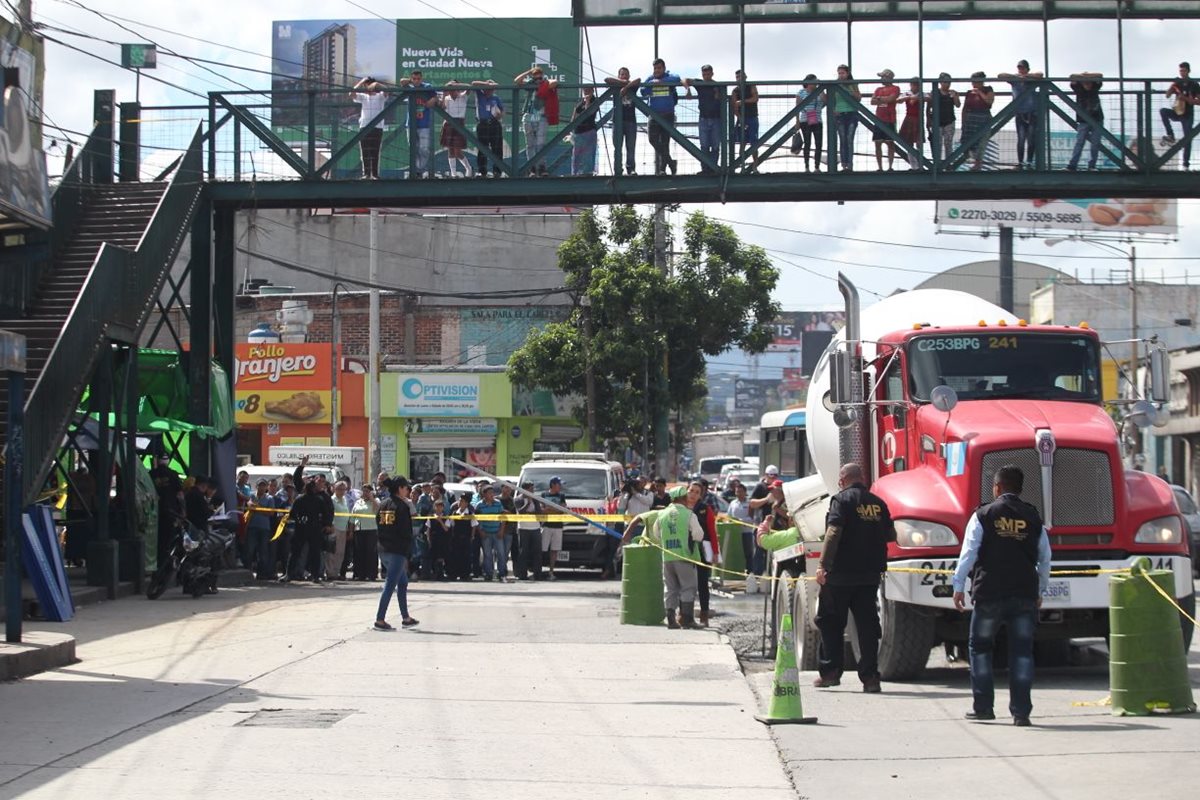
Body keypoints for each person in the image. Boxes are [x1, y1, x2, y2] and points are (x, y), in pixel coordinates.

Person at [952, 465, 1051, 726]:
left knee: (980, 648)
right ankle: (1021, 713)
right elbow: (1045, 558)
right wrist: (1040, 590)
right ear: (1020, 489)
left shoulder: (983, 515)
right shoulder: (1033, 517)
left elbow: (969, 553)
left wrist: (958, 585)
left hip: (989, 593)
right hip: (1024, 593)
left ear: (996, 488)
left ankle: (983, 707)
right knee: (1021, 653)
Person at [812, 463, 895, 693]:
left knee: (830, 622)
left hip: (840, 575)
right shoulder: (878, 503)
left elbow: (834, 532)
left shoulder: (841, 501)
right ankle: (870, 679)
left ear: (843, 479)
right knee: (867, 626)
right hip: (869, 576)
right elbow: (891, 533)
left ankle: (830, 673)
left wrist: (822, 565)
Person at [646, 483, 707, 629]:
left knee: (671, 588)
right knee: (688, 587)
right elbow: (699, 535)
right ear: (683, 498)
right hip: (685, 557)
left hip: (667, 557)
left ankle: (671, 619)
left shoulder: (662, 514)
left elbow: (656, 534)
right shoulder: (689, 514)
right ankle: (687, 619)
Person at [374, 478, 419, 630]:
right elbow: (406, 532)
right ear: (400, 489)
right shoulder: (402, 506)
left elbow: (378, 525)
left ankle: (406, 617)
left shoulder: (383, 504)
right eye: (406, 488)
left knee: (403, 582)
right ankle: (380, 619)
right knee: (390, 584)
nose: (408, 491)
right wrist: (408, 552)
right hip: (397, 551)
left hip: (383, 549)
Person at [639, 58, 683, 176]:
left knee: (665, 142)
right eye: (655, 68)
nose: (657, 70)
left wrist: (662, 81)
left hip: (668, 114)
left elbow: (677, 78)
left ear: (663, 68)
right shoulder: (650, 78)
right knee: (652, 139)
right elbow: (642, 91)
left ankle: (662, 169)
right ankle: (671, 162)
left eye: (659, 68)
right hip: (654, 115)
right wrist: (651, 84)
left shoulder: (669, 76)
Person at [997, 60, 1044, 169]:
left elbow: (1041, 74)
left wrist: (1026, 76)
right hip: (1020, 114)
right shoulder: (1015, 80)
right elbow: (1000, 75)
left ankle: (1029, 162)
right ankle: (1021, 162)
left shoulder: (1031, 79)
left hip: (1032, 113)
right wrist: (1017, 77)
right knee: (1021, 139)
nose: (1021, 70)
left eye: (1023, 68)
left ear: (1027, 69)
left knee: (1031, 139)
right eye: (1019, 68)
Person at [283, 478, 330, 583]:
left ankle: (315, 575)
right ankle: (289, 574)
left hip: (312, 528)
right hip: (304, 528)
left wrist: (324, 524)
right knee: (296, 552)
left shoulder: (318, 500)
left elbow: (325, 514)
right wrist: (299, 519)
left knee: (313, 553)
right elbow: (293, 514)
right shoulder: (301, 499)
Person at [515, 66, 559, 177]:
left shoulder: (546, 84)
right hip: (529, 116)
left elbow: (555, 82)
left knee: (540, 144)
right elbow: (517, 81)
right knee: (530, 144)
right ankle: (532, 168)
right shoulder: (530, 84)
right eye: (535, 76)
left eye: (540, 76)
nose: (538, 79)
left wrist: (543, 84)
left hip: (542, 117)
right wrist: (528, 72)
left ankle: (542, 167)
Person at [398, 69, 437, 178]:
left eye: (418, 79)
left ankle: (419, 169)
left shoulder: (427, 86)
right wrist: (411, 82)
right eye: (414, 79)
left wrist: (433, 100)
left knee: (424, 149)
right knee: (413, 148)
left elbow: (435, 96)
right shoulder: (409, 86)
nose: (416, 81)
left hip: (424, 124)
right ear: (411, 78)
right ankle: (415, 170)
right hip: (411, 124)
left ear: (422, 78)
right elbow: (402, 81)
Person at [1161, 61, 1199, 169]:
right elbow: (1167, 95)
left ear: (1188, 71)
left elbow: (1198, 101)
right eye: (1180, 71)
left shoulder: (1194, 84)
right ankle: (1170, 135)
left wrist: (1186, 99)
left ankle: (1185, 164)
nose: (1182, 73)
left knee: (1188, 138)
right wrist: (1172, 85)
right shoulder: (1178, 83)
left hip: (1188, 114)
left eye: (1184, 71)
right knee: (1163, 111)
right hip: (1178, 112)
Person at [349, 77, 388, 179]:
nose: (367, 88)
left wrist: (376, 84)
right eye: (365, 86)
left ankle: (375, 174)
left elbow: (387, 91)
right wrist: (361, 82)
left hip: (377, 126)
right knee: (365, 151)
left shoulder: (380, 96)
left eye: (368, 85)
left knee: (375, 151)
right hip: (364, 126)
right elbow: (351, 94)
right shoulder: (363, 97)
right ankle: (366, 173)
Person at [1066, 71, 1105, 171]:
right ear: (1081, 83)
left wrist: (1086, 76)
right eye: (1085, 83)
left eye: (1089, 82)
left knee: (1095, 143)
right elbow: (1072, 76)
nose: (1087, 85)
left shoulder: (1095, 86)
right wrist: (1084, 76)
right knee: (1080, 142)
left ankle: (1091, 166)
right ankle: (1072, 165)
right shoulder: (1078, 88)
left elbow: (1100, 75)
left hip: (1097, 118)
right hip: (1083, 120)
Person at [150, 455, 183, 570]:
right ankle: (167, 566)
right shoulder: (173, 474)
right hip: (171, 513)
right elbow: (180, 495)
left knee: (156, 541)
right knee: (169, 541)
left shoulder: (151, 474)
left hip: (154, 513)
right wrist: (182, 511)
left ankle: (156, 565)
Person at [604, 66, 640, 175]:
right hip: (617, 121)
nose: (624, 76)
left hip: (630, 120)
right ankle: (618, 169)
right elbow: (606, 79)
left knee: (631, 147)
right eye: (621, 74)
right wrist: (623, 83)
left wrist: (626, 86)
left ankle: (631, 169)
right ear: (619, 76)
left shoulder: (632, 87)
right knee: (617, 147)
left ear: (629, 76)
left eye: (626, 74)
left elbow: (638, 80)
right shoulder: (615, 84)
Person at [691, 64, 723, 173]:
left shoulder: (718, 86)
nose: (706, 76)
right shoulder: (700, 84)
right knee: (704, 145)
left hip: (716, 118)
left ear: (712, 73)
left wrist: (718, 95)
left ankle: (713, 168)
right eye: (704, 74)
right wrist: (687, 89)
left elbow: (723, 100)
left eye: (708, 74)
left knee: (715, 145)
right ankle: (705, 169)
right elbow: (685, 80)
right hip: (704, 118)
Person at [961, 71, 995, 171]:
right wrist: (963, 122)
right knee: (966, 141)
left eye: (975, 82)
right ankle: (970, 160)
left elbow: (989, 102)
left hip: (984, 118)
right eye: (972, 82)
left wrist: (979, 92)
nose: (973, 84)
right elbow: (965, 108)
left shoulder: (988, 89)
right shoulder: (969, 93)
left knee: (981, 142)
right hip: (971, 119)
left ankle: (978, 164)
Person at [470, 79, 504, 178]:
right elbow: (473, 83)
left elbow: (502, 111)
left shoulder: (496, 98)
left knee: (497, 148)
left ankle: (497, 171)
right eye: (487, 89)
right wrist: (487, 84)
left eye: (491, 89)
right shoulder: (479, 94)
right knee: (482, 149)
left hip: (494, 124)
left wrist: (499, 115)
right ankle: (482, 171)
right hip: (482, 124)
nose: (489, 91)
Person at [245, 479, 277, 580]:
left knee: (263, 552)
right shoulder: (252, 496)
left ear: (266, 487)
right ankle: (247, 573)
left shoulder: (270, 498)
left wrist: (258, 509)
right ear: (257, 486)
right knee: (250, 550)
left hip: (264, 528)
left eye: (264, 486)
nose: (262, 488)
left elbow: (271, 513)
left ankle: (261, 574)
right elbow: (249, 504)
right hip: (252, 527)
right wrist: (254, 507)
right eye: (260, 485)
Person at [473, 484, 506, 582]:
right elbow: (476, 520)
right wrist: (481, 531)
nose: (492, 495)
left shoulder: (498, 503)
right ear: (484, 494)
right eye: (490, 493)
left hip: (497, 532)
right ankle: (488, 573)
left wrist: (501, 530)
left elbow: (503, 517)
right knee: (487, 555)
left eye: (493, 493)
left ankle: (502, 573)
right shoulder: (479, 505)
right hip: (486, 533)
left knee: (501, 553)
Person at [439, 81, 472, 178]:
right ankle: (453, 173)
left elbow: (469, 87)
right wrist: (445, 91)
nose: (452, 91)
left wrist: (456, 85)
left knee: (458, 152)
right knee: (450, 150)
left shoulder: (463, 96)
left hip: (459, 123)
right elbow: (441, 107)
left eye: (454, 89)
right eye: (450, 89)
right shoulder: (446, 98)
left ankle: (468, 168)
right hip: (448, 124)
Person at [792, 74, 824, 172]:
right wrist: (797, 121)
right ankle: (807, 166)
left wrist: (821, 88)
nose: (815, 83)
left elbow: (826, 100)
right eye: (814, 81)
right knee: (807, 143)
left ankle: (817, 167)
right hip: (805, 120)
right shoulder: (801, 93)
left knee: (819, 144)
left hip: (817, 120)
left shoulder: (819, 92)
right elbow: (797, 108)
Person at [871, 69, 901, 171]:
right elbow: (872, 101)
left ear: (889, 78)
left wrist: (879, 98)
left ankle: (890, 167)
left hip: (890, 118)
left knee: (890, 143)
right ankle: (880, 167)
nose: (881, 79)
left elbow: (891, 99)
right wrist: (884, 98)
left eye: (883, 77)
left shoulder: (895, 88)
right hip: (879, 118)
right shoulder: (878, 89)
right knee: (877, 143)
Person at [832, 64, 861, 171]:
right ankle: (844, 165)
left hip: (852, 113)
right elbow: (831, 99)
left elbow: (858, 98)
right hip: (840, 114)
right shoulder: (835, 85)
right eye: (839, 73)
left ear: (847, 73)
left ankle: (850, 164)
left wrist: (849, 90)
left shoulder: (852, 84)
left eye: (842, 73)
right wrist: (833, 110)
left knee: (849, 138)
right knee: (842, 138)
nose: (840, 75)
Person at [730, 69, 759, 170]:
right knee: (742, 143)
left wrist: (742, 101)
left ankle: (755, 165)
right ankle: (742, 164)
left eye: (741, 77)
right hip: (742, 119)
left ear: (745, 77)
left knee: (753, 142)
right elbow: (734, 107)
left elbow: (755, 98)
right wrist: (739, 117)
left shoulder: (751, 86)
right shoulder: (735, 90)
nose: (739, 79)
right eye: (737, 77)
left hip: (752, 117)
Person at [928, 72, 960, 165]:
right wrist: (928, 119)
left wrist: (955, 97)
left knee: (948, 143)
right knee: (937, 144)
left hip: (949, 121)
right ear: (940, 82)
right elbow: (929, 106)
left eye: (949, 82)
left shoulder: (953, 92)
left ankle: (948, 163)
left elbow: (958, 105)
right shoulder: (935, 92)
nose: (947, 84)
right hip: (936, 121)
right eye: (945, 82)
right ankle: (936, 164)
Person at [514, 481, 543, 580]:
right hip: (523, 528)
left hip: (535, 527)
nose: (532, 491)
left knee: (537, 552)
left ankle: (537, 574)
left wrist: (532, 504)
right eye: (530, 489)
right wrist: (528, 502)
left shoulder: (535, 499)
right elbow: (521, 511)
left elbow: (539, 512)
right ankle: (522, 574)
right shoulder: (518, 499)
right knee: (523, 552)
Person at [727, 481, 755, 582]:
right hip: (735, 533)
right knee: (737, 553)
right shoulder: (733, 503)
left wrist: (741, 521)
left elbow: (752, 518)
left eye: (740, 491)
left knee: (748, 553)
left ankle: (750, 572)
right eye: (737, 492)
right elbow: (728, 516)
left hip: (746, 532)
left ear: (745, 492)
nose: (738, 493)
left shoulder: (749, 503)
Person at [351, 485, 379, 581]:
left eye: (367, 491)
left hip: (371, 529)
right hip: (359, 529)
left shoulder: (376, 501)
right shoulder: (358, 502)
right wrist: (351, 531)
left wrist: (372, 499)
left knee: (370, 552)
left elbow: (378, 510)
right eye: (364, 491)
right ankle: (359, 574)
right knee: (359, 552)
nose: (365, 493)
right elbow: (352, 517)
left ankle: (371, 574)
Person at [541, 476, 567, 580]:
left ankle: (551, 572)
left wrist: (550, 508)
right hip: (546, 526)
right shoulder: (544, 495)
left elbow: (563, 509)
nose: (560, 487)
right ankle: (539, 570)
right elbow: (542, 509)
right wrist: (555, 508)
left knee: (554, 550)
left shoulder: (561, 495)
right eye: (558, 484)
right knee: (542, 549)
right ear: (553, 485)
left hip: (558, 526)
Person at [571, 86, 600, 176]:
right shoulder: (580, 101)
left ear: (593, 90)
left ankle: (587, 173)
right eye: (584, 90)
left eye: (588, 90)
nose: (586, 92)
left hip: (589, 130)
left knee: (588, 154)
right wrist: (571, 129)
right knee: (576, 155)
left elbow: (589, 113)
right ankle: (575, 173)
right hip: (578, 131)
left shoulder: (595, 100)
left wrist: (587, 101)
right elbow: (574, 115)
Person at [447, 492, 476, 581]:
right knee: (455, 556)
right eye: (459, 500)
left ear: (466, 503)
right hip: (456, 537)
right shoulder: (455, 513)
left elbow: (474, 525)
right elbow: (450, 524)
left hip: (466, 537)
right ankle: (455, 573)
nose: (460, 502)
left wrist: (472, 536)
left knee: (466, 556)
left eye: (462, 501)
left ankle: (465, 574)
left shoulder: (470, 513)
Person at [327, 481, 351, 581]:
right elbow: (329, 513)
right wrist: (331, 524)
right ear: (334, 489)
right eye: (339, 489)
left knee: (340, 552)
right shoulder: (332, 500)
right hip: (335, 527)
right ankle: (330, 572)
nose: (341, 491)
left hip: (343, 528)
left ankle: (336, 572)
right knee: (332, 551)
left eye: (343, 489)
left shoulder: (345, 500)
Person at [898, 77, 924, 169]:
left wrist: (916, 98)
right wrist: (909, 97)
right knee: (909, 144)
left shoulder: (922, 94)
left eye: (916, 84)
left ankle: (919, 165)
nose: (915, 86)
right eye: (913, 84)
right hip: (909, 118)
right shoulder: (907, 94)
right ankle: (914, 166)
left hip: (918, 119)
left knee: (919, 143)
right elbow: (899, 100)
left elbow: (929, 98)